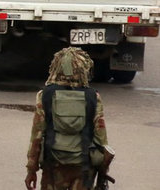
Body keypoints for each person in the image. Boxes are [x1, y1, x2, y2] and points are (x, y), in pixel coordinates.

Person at [25, 47, 111, 190]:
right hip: (84, 167)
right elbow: (101, 139)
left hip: (53, 166)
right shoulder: (93, 97)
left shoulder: (45, 95)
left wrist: (31, 170)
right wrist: (102, 173)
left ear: (56, 68)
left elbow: (36, 136)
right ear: (84, 69)